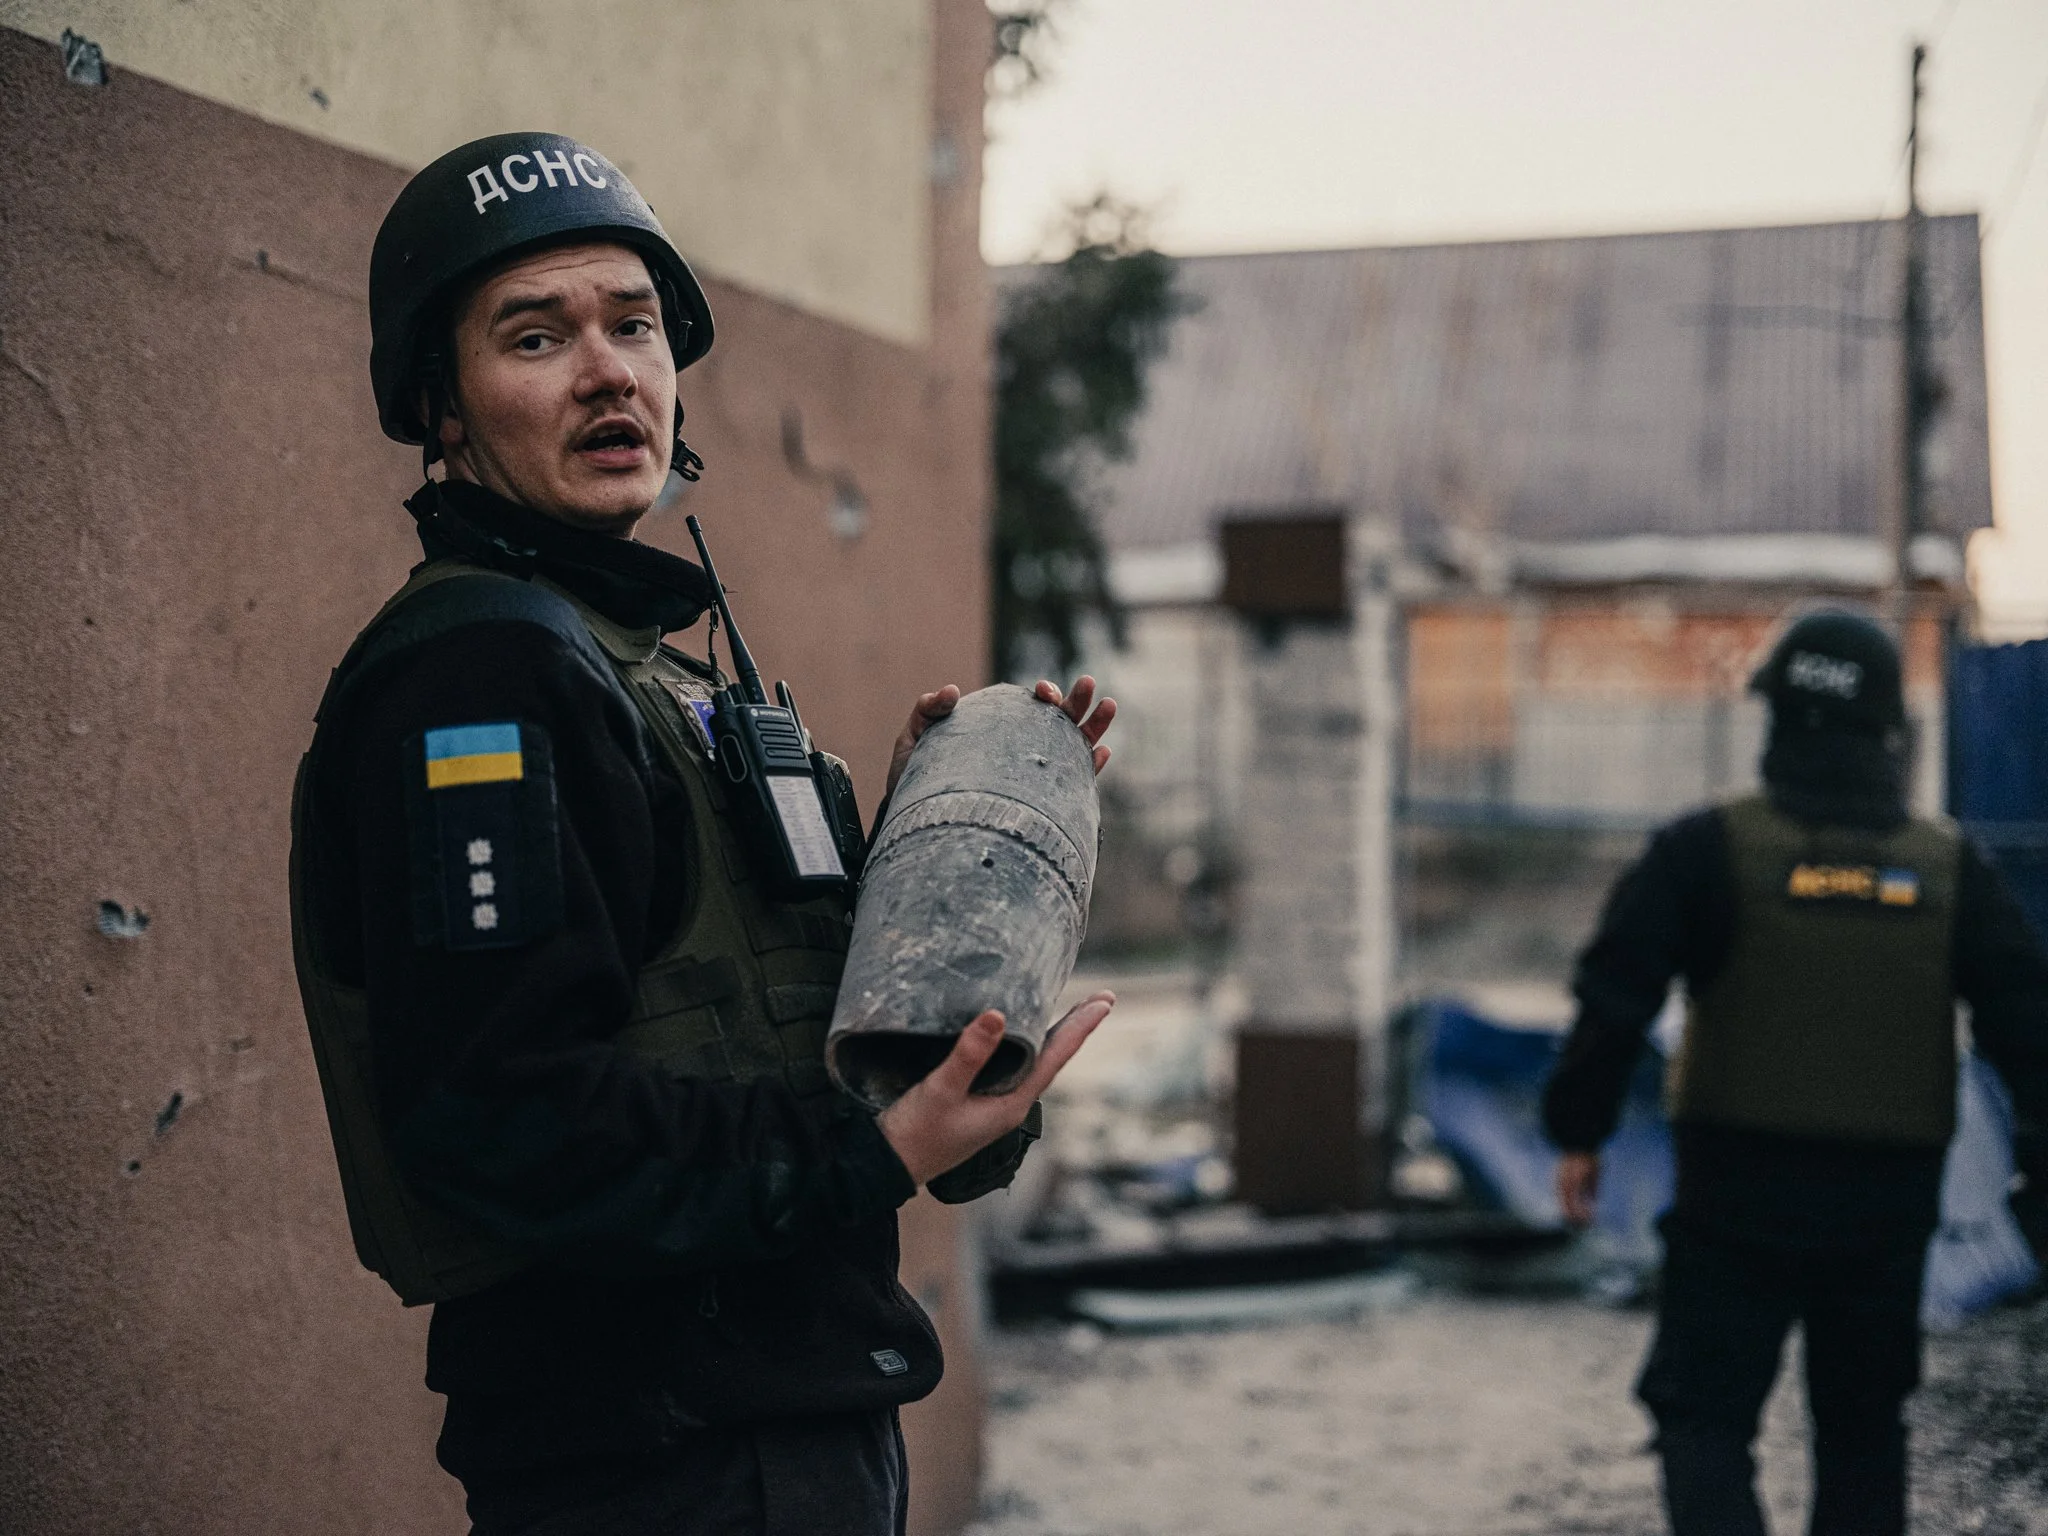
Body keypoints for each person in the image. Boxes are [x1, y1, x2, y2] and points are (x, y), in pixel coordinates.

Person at [288, 132, 1117, 1536]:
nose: (611, 369)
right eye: (536, 335)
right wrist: (867, 1154)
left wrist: (928, 888)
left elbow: (745, 1008)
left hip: (764, 1425)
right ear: (440, 403)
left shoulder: (652, 669)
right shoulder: (479, 678)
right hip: (660, 1461)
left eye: (636, 324)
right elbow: (507, 1116)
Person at [1541, 609, 2048, 1536]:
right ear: (1888, 731)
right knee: (1862, 1429)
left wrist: (1579, 1132)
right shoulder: (1949, 870)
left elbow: (1614, 993)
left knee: (1704, 1417)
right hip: (1885, 1205)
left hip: (1735, 1195)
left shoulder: (1705, 851)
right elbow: (2030, 1027)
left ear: (1775, 718)